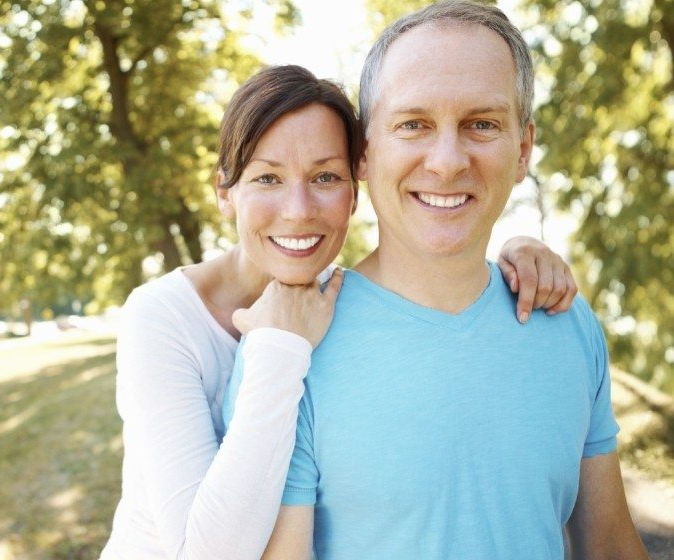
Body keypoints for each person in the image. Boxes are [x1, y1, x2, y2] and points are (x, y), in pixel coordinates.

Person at [100, 64, 578, 560]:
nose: (299, 209)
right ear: (225, 192)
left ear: (356, 190)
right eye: (267, 178)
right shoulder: (160, 318)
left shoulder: (341, 302)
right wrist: (277, 350)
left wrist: (519, 250)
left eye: (326, 176)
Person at [227, 3, 649, 559]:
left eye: (481, 124)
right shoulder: (291, 350)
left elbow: (612, 548)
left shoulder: (566, 323)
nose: (447, 161)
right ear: (365, 151)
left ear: (522, 149)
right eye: (413, 124)